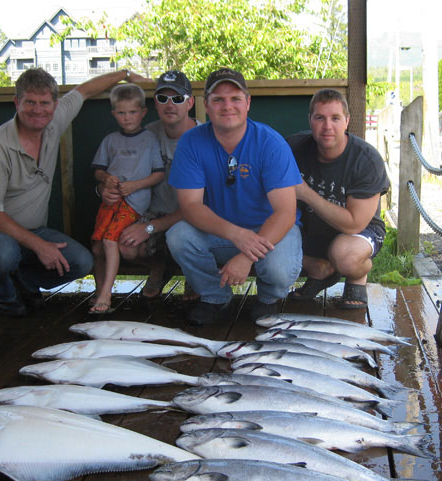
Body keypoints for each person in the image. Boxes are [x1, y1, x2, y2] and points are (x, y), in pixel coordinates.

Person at [0, 67, 148, 317]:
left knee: (82, 261)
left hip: (34, 232)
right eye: (30, 102)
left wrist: (125, 75)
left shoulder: (52, 124)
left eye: (45, 103)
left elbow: (84, 91)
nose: (38, 110)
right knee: (3, 253)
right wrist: (40, 246)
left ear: (55, 105)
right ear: (16, 102)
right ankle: (5, 297)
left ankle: (25, 281)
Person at [166, 67, 303, 325]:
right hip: (221, 232)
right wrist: (237, 236)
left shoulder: (270, 143)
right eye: (218, 99)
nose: (227, 106)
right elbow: (190, 206)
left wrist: (247, 255)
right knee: (178, 236)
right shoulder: (191, 142)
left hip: (270, 230)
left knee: (279, 267)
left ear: (248, 103)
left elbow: (285, 213)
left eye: (235, 98)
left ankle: (269, 300)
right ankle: (215, 298)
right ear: (206, 105)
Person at [99, 70, 200, 300]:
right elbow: (117, 170)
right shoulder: (145, 134)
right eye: (163, 98)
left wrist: (150, 228)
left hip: (193, 214)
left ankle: (193, 274)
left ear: (190, 102)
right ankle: (159, 267)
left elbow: (207, 204)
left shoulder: (205, 137)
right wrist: (104, 188)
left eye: (177, 98)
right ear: (154, 103)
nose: (170, 104)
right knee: (125, 244)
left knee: (185, 238)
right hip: (151, 211)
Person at [287, 89, 390, 309]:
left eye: (335, 118)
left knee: (345, 255)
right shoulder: (293, 148)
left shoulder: (366, 160)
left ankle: (357, 277)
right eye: (320, 118)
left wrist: (306, 193)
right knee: (261, 238)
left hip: (358, 233)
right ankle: (320, 270)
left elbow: (355, 223)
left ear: (347, 121)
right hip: (311, 228)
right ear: (310, 120)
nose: (327, 127)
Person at [89, 83, 165, 313]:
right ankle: (99, 289)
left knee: (111, 240)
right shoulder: (110, 140)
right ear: (114, 114)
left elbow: (158, 174)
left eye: (132, 112)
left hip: (134, 203)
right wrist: (105, 179)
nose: (127, 118)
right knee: (96, 247)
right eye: (121, 113)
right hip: (110, 201)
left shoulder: (150, 139)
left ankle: (106, 296)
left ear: (142, 112)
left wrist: (136, 186)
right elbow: (98, 170)